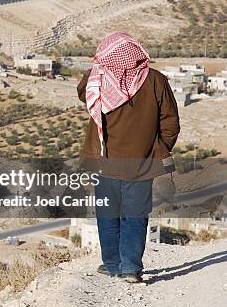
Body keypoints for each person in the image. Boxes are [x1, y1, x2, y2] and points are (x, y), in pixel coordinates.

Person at [77, 32, 180, 283]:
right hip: (142, 164)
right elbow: (171, 123)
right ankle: (130, 269)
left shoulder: (97, 81)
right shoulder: (156, 80)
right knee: (135, 216)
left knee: (108, 216)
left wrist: (98, 68)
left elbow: (82, 93)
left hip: (105, 163)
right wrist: (158, 148)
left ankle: (112, 264)